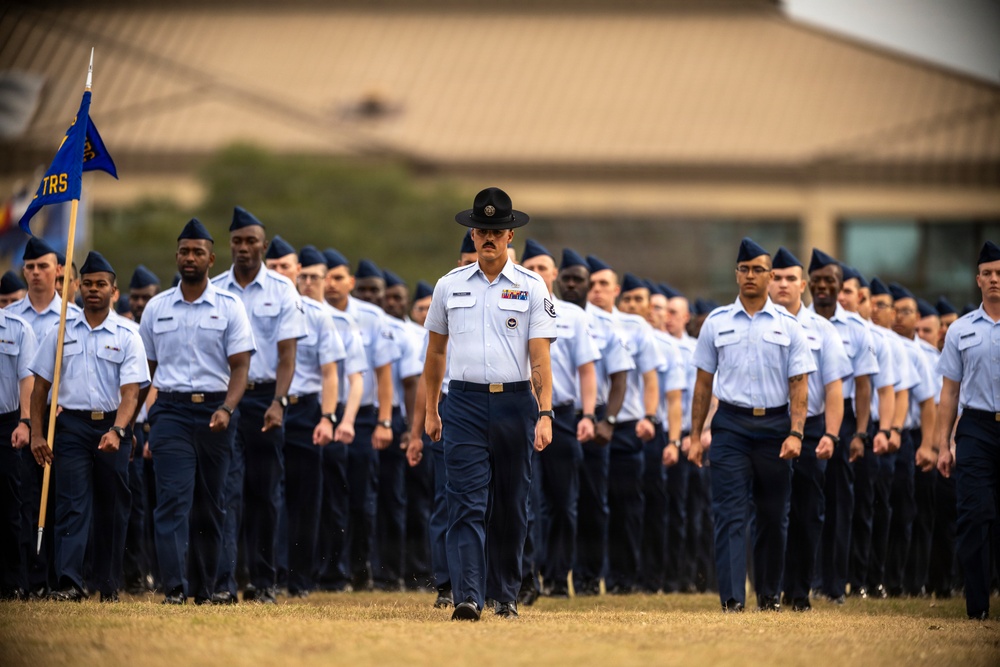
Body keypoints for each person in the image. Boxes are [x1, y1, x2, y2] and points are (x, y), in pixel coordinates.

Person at [423, 187, 556, 621]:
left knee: (512, 503)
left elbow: (540, 357)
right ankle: (468, 596)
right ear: (473, 233)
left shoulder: (531, 287)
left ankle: (506, 594)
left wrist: (545, 412)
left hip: (516, 403)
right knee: (465, 501)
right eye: (482, 230)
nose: (489, 238)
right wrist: (430, 408)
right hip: (462, 403)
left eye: (497, 231)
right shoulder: (449, 286)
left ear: (510, 235)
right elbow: (436, 354)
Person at [688, 238, 816, 613]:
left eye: (758, 269)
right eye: (744, 269)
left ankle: (769, 595)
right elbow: (702, 384)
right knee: (729, 512)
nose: (750, 276)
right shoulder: (716, 322)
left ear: (771, 276)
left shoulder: (789, 326)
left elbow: (799, 385)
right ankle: (732, 598)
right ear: (736, 274)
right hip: (730, 425)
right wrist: (695, 437)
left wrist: (796, 432)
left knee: (774, 516)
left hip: (775, 426)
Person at [138, 218, 254, 604]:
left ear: (211, 258)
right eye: (184, 251)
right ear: (176, 256)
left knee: (211, 501)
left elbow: (240, 366)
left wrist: (227, 408)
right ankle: (174, 587)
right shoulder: (156, 308)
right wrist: (147, 417)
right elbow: (147, 370)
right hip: (169, 412)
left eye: (198, 252)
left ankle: (211, 587)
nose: (190, 258)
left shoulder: (229, 305)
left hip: (215, 414)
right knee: (172, 500)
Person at [29, 251, 150, 602]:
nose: (94, 289)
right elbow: (39, 388)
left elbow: (131, 393)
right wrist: (37, 432)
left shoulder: (128, 335)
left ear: (114, 291)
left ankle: (109, 584)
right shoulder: (60, 331)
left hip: (113, 426)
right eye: (88, 283)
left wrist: (119, 431)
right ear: (78, 286)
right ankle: (69, 582)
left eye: (102, 284)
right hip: (71, 428)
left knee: (113, 506)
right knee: (71, 504)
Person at [212, 218, 306, 604]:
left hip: (267, 398)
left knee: (264, 494)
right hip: (225, 400)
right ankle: (222, 582)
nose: (244, 247)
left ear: (263, 247)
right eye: (237, 241)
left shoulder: (283, 290)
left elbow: (287, 356)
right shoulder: (215, 290)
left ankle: (263, 582)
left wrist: (279, 403)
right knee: (226, 491)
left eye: (251, 241)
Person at [769, 247, 851, 611]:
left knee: (807, 512)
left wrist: (832, 435)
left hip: (812, 428)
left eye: (790, 278)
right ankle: (769, 589)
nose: (783, 284)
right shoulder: (756, 325)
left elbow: (834, 388)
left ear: (802, 285)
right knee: (770, 512)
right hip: (768, 425)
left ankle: (799, 592)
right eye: (777, 277)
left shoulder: (822, 330)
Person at [265, 240, 346, 597]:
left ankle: (299, 579)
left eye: (286, 267)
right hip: (265, 406)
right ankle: (266, 575)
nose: (281, 273)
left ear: (298, 271)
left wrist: (327, 417)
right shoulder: (258, 310)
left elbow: (330, 374)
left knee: (304, 498)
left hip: (305, 410)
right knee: (264, 494)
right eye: (275, 267)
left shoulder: (317, 316)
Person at [520, 239, 598, 600]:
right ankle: (526, 576)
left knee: (563, 502)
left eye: (542, 269)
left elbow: (586, 370)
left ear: (553, 275)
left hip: (564, 415)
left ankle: (555, 575)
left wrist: (589, 414)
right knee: (526, 500)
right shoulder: (514, 308)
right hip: (523, 410)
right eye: (530, 268)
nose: (536, 274)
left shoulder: (574, 316)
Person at [555, 249, 632, 597]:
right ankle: (551, 576)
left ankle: (587, 577)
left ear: (588, 285)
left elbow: (619, 378)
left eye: (579, 280)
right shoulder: (548, 314)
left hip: (595, 419)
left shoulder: (604, 325)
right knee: (554, 503)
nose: (572, 284)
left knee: (592, 504)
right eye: (567, 278)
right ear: (558, 280)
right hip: (555, 416)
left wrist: (609, 422)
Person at [806, 249, 881, 603]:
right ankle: (807, 578)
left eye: (830, 281)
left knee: (838, 504)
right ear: (809, 284)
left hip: (846, 418)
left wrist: (861, 433)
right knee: (806, 501)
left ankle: (834, 585)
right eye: (817, 280)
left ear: (840, 286)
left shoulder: (857, 329)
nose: (823, 286)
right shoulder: (795, 323)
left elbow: (864, 386)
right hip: (805, 416)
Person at [9, 237, 82, 598]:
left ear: (59, 271)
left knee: (61, 502)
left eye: (44, 266)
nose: (36, 273)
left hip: (65, 420)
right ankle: (29, 580)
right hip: (21, 424)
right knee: (24, 501)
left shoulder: (76, 319)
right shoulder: (9, 320)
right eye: (31, 267)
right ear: (24, 272)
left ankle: (58, 579)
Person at [323, 252, 399, 591]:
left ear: (350, 282)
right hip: (321, 413)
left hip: (364, 418)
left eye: (338, 277)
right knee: (328, 497)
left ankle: (359, 566)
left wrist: (385, 421)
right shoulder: (309, 314)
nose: (330, 284)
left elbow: (385, 376)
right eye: (325, 276)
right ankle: (330, 570)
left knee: (361, 498)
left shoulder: (371, 317)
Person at [936, 240, 1000, 620]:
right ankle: (977, 605)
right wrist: (943, 445)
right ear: (978, 280)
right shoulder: (960, 330)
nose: (995, 280)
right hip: (975, 427)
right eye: (988, 274)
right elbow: (949, 392)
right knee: (973, 515)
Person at [383, 269, 435, 591]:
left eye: (432, 309)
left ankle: (422, 569)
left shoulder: (432, 336)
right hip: (406, 425)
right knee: (400, 502)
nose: (427, 315)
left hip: (428, 426)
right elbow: (410, 385)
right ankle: (397, 571)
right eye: (422, 309)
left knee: (423, 502)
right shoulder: (405, 335)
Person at [123, 263, 161, 595]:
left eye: (145, 297)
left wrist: (151, 429)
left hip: (156, 426)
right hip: (131, 427)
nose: (139, 303)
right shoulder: (122, 331)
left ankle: (157, 572)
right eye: (134, 297)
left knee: (159, 505)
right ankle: (136, 571)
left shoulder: (161, 328)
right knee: (135, 504)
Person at [0, 298, 35, 600]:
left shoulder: (17, 328)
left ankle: (13, 580)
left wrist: (25, 421)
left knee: (11, 506)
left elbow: (27, 377)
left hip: (6, 424)